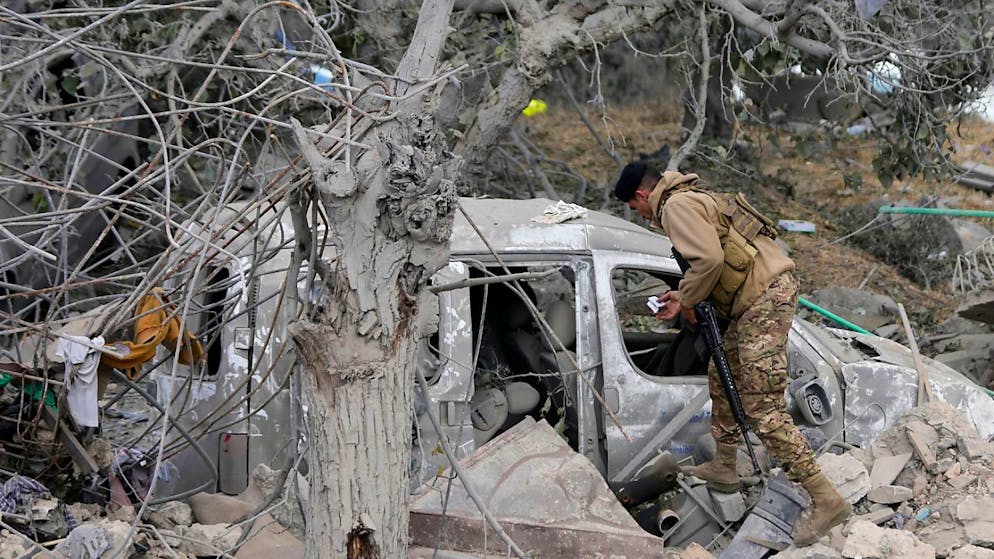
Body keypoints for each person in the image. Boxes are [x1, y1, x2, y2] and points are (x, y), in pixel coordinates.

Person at [613, 161, 851, 546]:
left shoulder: (674, 206)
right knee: (721, 375)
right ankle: (725, 464)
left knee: (763, 409)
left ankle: (826, 498)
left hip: (763, 299)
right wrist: (683, 294)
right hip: (755, 299)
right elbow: (713, 259)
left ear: (641, 196)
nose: (639, 214)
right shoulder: (689, 196)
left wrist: (685, 297)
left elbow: (708, 260)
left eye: (634, 207)